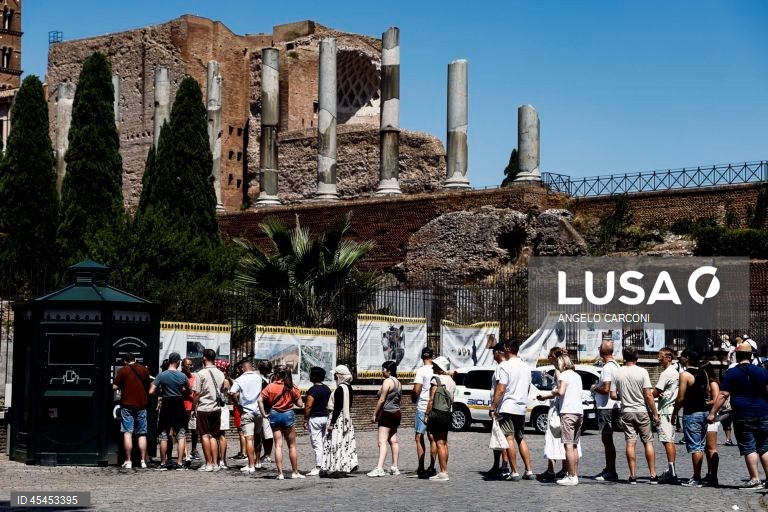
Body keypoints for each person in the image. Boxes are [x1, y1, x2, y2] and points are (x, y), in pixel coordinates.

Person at [708, 340, 768, 489]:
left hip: (743, 413)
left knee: (749, 447)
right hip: (762, 411)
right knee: (764, 447)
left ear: (737, 355)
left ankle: (755, 479)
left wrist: (712, 412)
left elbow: (723, 394)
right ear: (751, 355)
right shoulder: (762, 371)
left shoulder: (732, 372)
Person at [611, 346, 660, 485]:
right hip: (641, 410)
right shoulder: (642, 372)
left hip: (626, 411)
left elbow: (613, 395)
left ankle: (632, 475)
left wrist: (625, 396)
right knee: (648, 442)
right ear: (637, 356)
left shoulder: (617, 372)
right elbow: (648, 395)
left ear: (624, 356)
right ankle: (653, 475)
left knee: (630, 443)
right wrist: (655, 414)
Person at [489, 339, 535, 481]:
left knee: (509, 437)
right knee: (520, 438)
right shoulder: (526, 367)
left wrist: (493, 406)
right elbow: (527, 388)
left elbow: (501, 389)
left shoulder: (505, 367)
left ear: (508, 349)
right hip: (521, 406)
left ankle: (514, 471)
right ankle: (529, 470)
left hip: (508, 406)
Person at [672, 349, 718, 487]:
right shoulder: (703, 373)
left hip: (691, 413)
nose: (680, 359)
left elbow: (680, 397)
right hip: (703, 412)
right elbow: (706, 392)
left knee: (696, 447)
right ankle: (699, 475)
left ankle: (696, 477)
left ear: (687, 359)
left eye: (682, 357)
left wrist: (675, 413)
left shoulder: (685, 374)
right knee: (700, 445)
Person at [538, 353, 583, 486]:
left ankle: (571, 476)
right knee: (574, 445)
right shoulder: (577, 375)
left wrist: (547, 395)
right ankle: (574, 473)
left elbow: (561, 391)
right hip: (579, 412)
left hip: (567, 412)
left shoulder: (564, 375)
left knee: (568, 445)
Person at [259, 365, 305, 479]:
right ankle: (295, 472)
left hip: (274, 414)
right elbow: (300, 404)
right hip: (288, 415)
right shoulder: (292, 387)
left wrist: (264, 413)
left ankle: (280, 473)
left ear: (276, 374)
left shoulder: (270, 386)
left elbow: (260, 400)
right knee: (292, 446)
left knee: (278, 445)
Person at [149, 352, 190, 471]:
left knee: (164, 435)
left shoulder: (162, 375)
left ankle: (163, 463)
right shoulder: (182, 376)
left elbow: (151, 391)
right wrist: (182, 392)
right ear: (177, 362)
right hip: (178, 404)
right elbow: (189, 390)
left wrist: (160, 393)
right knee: (181, 434)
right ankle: (180, 463)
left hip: (166, 403)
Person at [112, 352, 150, 469]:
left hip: (127, 405)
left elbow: (114, 387)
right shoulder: (144, 370)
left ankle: (128, 461)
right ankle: (143, 461)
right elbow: (148, 385)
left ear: (125, 361)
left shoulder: (123, 370)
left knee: (127, 433)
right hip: (141, 405)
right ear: (135, 359)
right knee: (142, 433)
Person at [536, 346, 569, 482]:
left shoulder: (558, 371)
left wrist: (545, 396)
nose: (548, 358)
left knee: (552, 439)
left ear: (554, 357)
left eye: (550, 356)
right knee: (564, 441)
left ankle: (551, 469)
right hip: (562, 408)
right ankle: (564, 469)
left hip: (557, 409)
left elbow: (559, 391)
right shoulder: (567, 370)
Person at [590, 340, 621, 481]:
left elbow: (607, 389)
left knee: (607, 439)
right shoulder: (615, 365)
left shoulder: (608, 368)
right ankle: (609, 468)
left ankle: (611, 470)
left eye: (599, 347)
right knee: (608, 440)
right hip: (612, 406)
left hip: (606, 407)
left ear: (602, 351)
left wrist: (595, 387)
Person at [192, 348, 226, 472]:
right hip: (216, 408)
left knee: (205, 436)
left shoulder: (200, 374)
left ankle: (208, 463)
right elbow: (222, 390)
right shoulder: (221, 373)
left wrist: (193, 407)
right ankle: (215, 464)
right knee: (214, 436)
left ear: (204, 358)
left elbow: (196, 393)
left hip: (204, 407)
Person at [322, 364, 358, 476]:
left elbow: (337, 408)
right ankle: (344, 465)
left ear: (339, 376)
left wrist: (332, 423)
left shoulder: (339, 390)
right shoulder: (349, 388)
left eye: (335, 375)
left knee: (335, 442)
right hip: (346, 419)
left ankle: (335, 466)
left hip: (338, 419)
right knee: (344, 442)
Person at [229, 360, 264, 474]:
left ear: (243, 368)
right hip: (259, 411)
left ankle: (251, 464)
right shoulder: (259, 378)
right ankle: (258, 461)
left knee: (249, 438)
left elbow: (232, 392)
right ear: (252, 367)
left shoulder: (240, 379)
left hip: (247, 411)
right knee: (258, 436)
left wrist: (237, 404)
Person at [368, 360, 402, 477]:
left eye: (383, 369)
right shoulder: (398, 382)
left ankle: (379, 468)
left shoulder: (387, 381)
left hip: (387, 413)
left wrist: (374, 414)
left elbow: (381, 400)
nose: (382, 371)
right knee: (393, 440)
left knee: (381, 442)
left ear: (389, 370)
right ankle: (395, 467)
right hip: (396, 413)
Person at [424, 356, 455, 482]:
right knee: (444, 443)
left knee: (439, 443)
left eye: (435, 366)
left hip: (437, 413)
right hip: (448, 413)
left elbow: (431, 400)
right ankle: (444, 468)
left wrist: (426, 414)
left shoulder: (436, 380)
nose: (433, 367)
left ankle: (443, 472)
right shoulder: (451, 381)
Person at [653, 347, 679, 484]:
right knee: (670, 440)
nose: (659, 359)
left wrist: (646, 394)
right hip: (672, 408)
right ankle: (672, 469)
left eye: (661, 356)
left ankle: (672, 472)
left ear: (668, 357)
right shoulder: (675, 372)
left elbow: (656, 392)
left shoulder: (666, 374)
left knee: (667, 440)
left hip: (665, 410)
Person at [487, 342, 512, 480]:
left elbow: (499, 388)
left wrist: (493, 406)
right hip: (505, 406)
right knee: (499, 437)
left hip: (500, 407)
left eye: (493, 353)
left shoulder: (501, 368)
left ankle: (504, 465)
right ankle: (498, 464)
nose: (493, 356)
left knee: (501, 437)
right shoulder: (509, 366)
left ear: (498, 353)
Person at [411, 347, 437, 478]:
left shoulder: (421, 371)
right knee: (432, 438)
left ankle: (421, 467)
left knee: (419, 437)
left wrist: (413, 398)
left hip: (422, 406)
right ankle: (432, 466)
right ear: (432, 356)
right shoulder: (436, 370)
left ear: (422, 357)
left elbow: (416, 390)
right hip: (434, 407)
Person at [304, 366, 331, 476]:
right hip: (326, 417)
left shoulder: (312, 390)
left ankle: (319, 466)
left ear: (314, 377)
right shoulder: (327, 389)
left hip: (315, 418)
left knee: (317, 443)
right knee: (325, 442)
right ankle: (326, 463)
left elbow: (309, 405)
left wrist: (305, 418)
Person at [701, 359, 721, 487]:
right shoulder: (706, 382)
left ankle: (713, 475)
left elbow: (716, 400)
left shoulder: (713, 384)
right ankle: (709, 473)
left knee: (711, 448)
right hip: (706, 416)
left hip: (712, 417)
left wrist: (702, 403)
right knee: (707, 448)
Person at [181, 358, 198, 466]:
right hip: (182, 406)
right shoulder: (179, 376)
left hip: (192, 406)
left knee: (194, 430)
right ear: (182, 365)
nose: (190, 366)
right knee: (182, 430)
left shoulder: (194, 377)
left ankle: (194, 449)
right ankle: (184, 452)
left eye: (191, 364)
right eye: (188, 364)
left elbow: (196, 392)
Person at [257, 361, 274, 465]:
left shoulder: (266, 380)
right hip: (269, 408)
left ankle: (267, 454)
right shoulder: (272, 378)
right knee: (266, 434)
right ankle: (267, 453)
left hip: (266, 409)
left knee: (266, 434)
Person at [216, 359, 232, 469]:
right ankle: (222, 460)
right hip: (223, 407)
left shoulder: (219, 378)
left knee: (216, 435)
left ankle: (217, 459)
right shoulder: (226, 380)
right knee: (222, 435)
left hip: (216, 407)